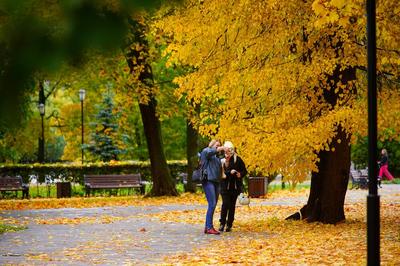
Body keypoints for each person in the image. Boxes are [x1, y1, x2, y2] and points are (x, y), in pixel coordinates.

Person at [219, 141, 247, 232]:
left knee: (232, 206)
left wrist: (240, 174)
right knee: (225, 204)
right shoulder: (222, 160)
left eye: (229, 151)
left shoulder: (237, 159)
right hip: (224, 187)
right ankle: (222, 223)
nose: (227, 153)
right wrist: (229, 172)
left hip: (234, 187)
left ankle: (229, 224)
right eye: (226, 151)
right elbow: (221, 174)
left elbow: (244, 171)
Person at [200, 139, 226, 235]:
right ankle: (209, 227)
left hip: (216, 181)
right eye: (217, 145)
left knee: (213, 204)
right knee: (212, 203)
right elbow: (209, 153)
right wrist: (219, 149)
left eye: (219, 145)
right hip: (208, 180)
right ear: (212, 144)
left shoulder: (216, 157)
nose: (218, 147)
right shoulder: (206, 151)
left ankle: (208, 227)